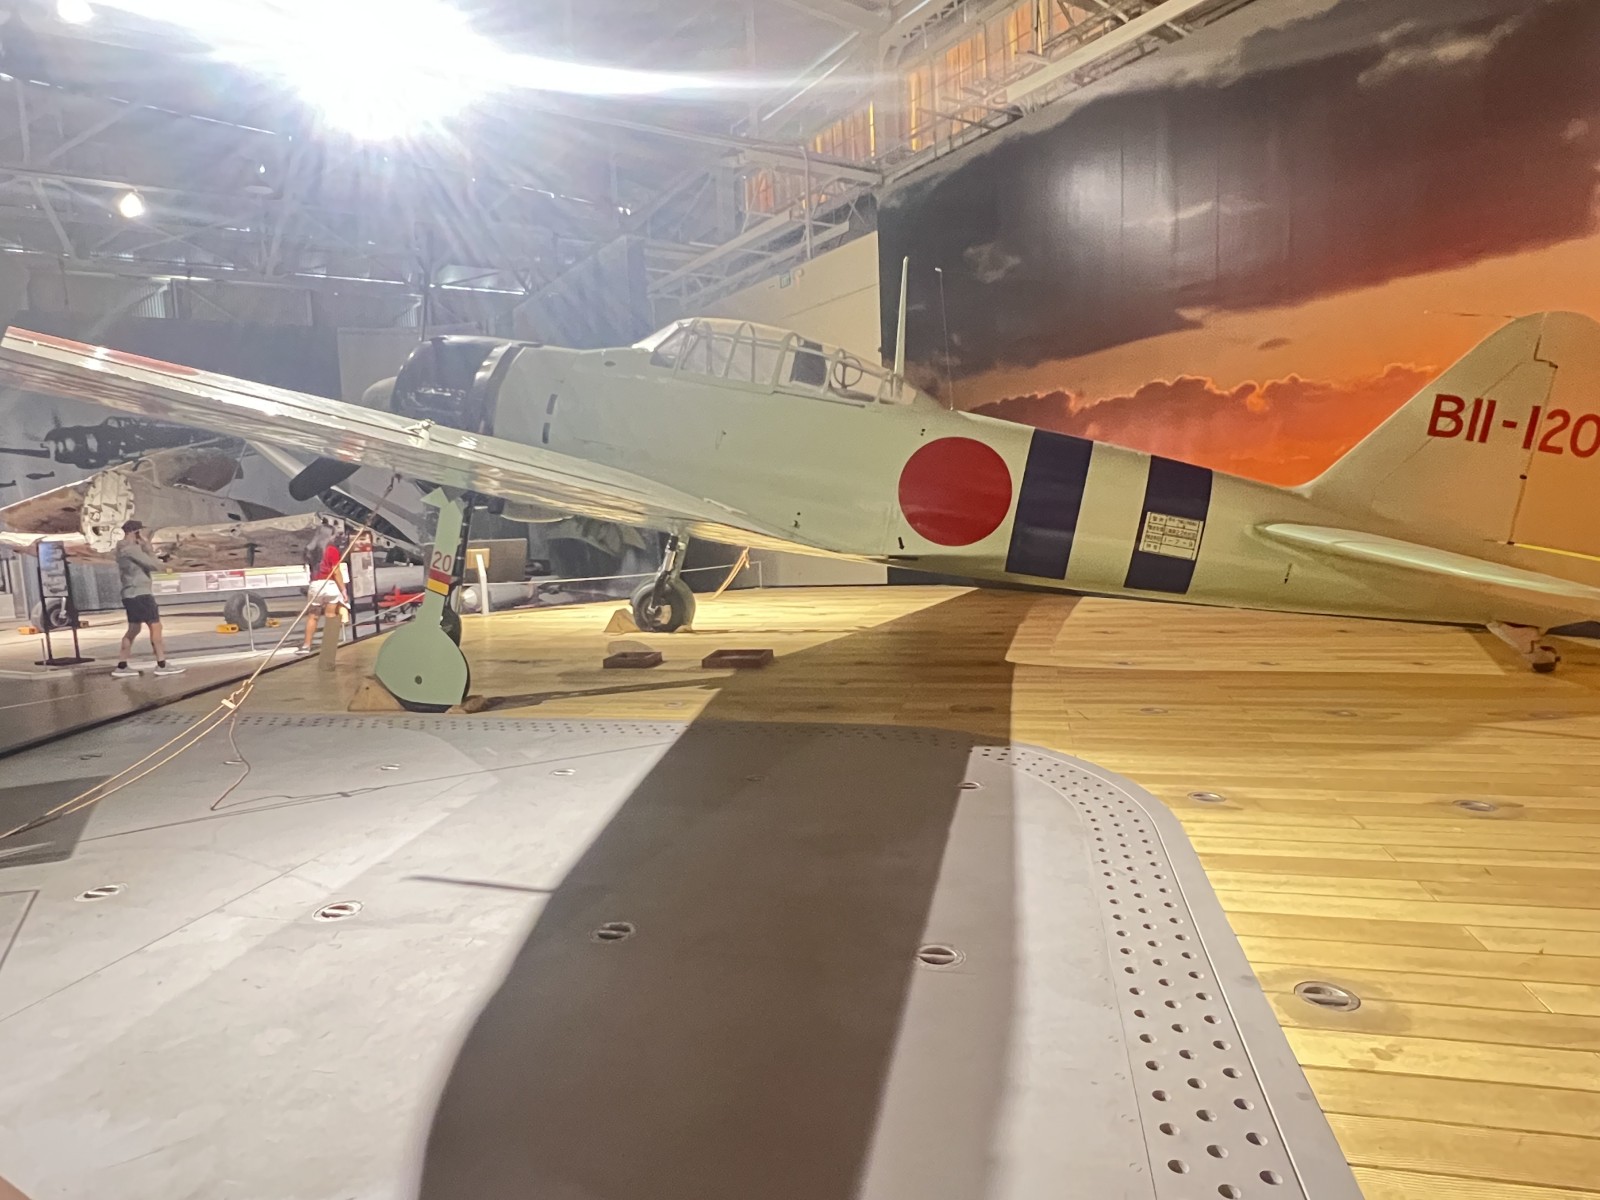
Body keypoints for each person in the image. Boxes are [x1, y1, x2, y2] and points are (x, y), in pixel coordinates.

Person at [110, 520, 184, 678]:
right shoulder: (132, 549)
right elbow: (155, 566)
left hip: (130, 594)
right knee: (156, 627)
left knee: (133, 629)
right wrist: (148, 548)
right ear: (135, 532)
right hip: (141, 594)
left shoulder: (122, 549)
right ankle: (162, 664)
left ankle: (122, 666)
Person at [298, 526, 349, 656]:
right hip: (330, 585)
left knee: (313, 616)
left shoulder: (310, 550)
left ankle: (306, 645)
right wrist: (343, 590)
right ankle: (329, 646)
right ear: (329, 535)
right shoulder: (332, 550)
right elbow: (336, 571)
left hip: (315, 585)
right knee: (330, 615)